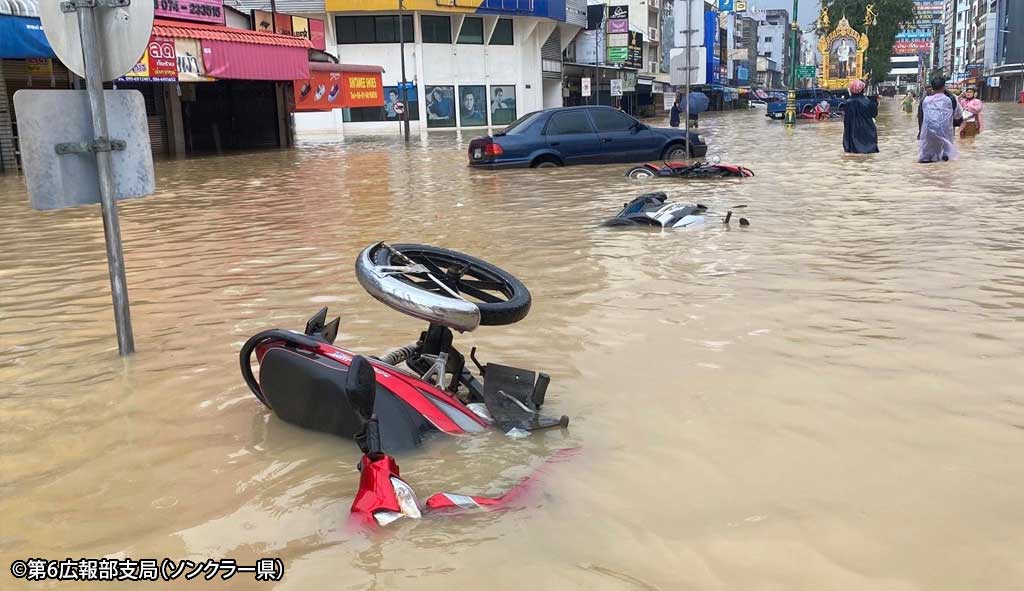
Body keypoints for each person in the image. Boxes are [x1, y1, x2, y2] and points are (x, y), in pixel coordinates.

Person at [918, 75, 962, 163]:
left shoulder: (925, 100)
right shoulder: (951, 99)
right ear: (943, 86)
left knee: (927, 159)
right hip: (945, 134)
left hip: (928, 135)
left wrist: (920, 132)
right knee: (944, 159)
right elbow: (958, 116)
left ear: (932, 87)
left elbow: (920, 117)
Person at [842, 79, 878, 153]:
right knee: (868, 152)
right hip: (867, 130)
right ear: (862, 90)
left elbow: (846, 120)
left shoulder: (847, 103)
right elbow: (874, 114)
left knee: (853, 152)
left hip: (852, 130)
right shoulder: (868, 102)